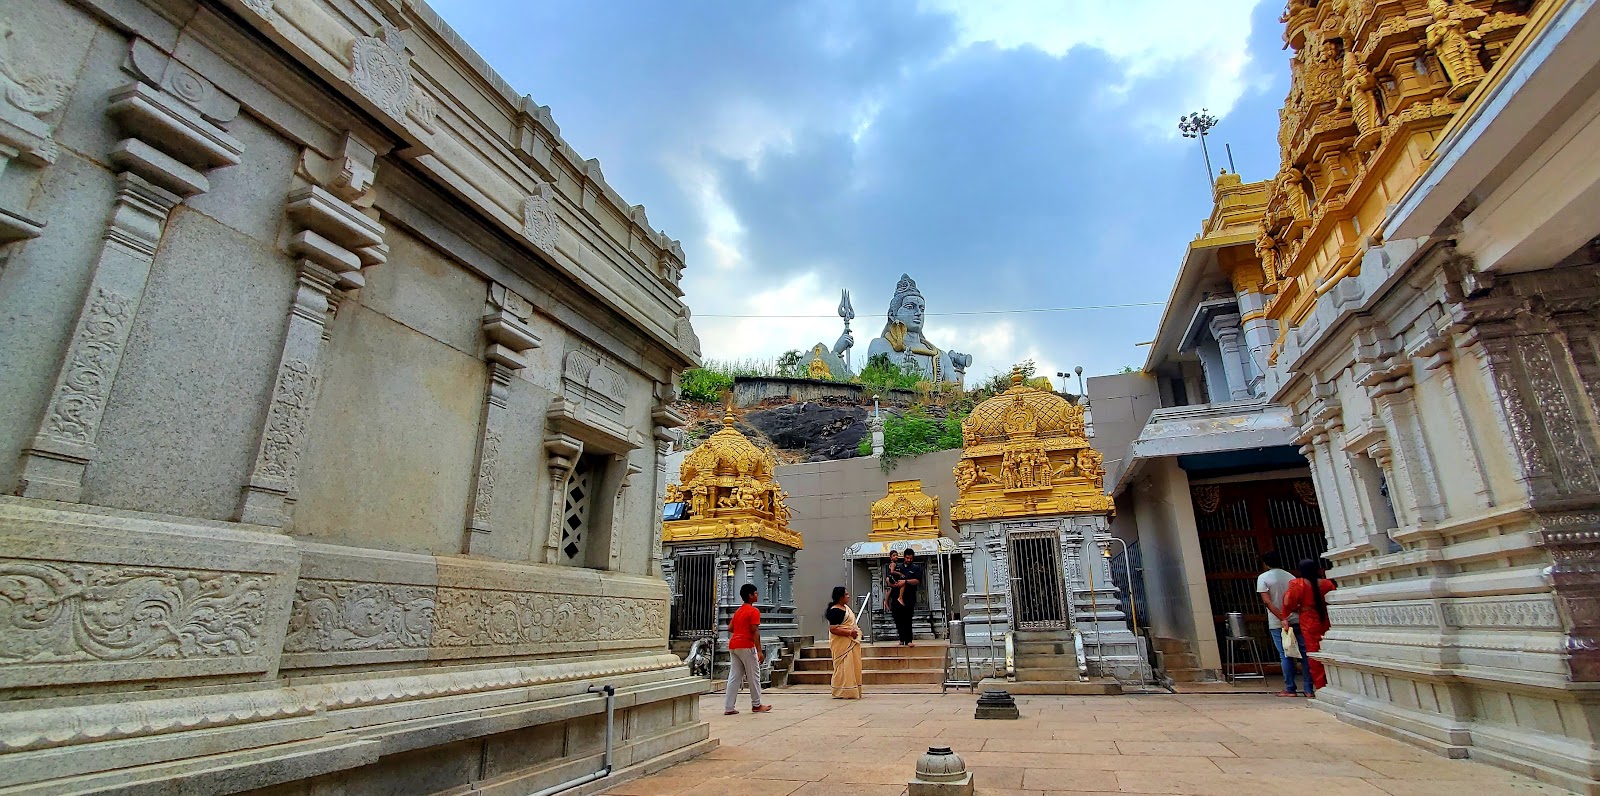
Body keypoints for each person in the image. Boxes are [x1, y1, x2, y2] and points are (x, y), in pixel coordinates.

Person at [1257, 551, 1310, 697]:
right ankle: (1308, 688)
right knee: (1304, 654)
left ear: (1266, 563)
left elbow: (1267, 601)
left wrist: (1282, 617)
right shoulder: (1290, 577)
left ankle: (1290, 688)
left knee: (1285, 655)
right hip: (1296, 618)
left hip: (1277, 622)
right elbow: (1298, 599)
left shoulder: (1263, 578)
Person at [1282, 558, 1336, 695]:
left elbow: (1289, 603)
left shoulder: (1297, 584)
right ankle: (1332, 682)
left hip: (1309, 620)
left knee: (1313, 654)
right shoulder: (1327, 584)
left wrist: (1286, 615)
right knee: (1330, 650)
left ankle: (1320, 685)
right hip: (1327, 618)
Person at [724, 583, 772, 715]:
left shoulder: (739, 611)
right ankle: (756, 704)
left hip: (734, 644)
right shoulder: (753, 611)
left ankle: (729, 707)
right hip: (746, 645)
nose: (757, 595)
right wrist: (759, 651)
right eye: (755, 593)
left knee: (734, 677)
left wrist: (740, 629)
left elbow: (730, 628)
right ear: (750, 596)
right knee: (754, 676)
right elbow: (754, 630)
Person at [826, 586, 863, 699]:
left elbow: (851, 624)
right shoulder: (835, 611)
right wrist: (849, 633)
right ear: (840, 597)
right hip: (842, 644)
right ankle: (841, 690)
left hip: (851, 643)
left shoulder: (846, 609)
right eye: (846, 594)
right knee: (843, 666)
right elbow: (833, 629)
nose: (848, 596)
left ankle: (852, 689)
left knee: (852, 666)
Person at [891, 549, 924, 647]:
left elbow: (917, 581)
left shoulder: (915, 568)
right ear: (904, 557)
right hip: (897, 595)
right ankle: (901, 638)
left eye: (911, 558)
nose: (909, 560)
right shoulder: (899, 567)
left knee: (907, 618)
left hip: (909, 595)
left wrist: (905, 582)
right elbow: (891, 577)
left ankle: (908, 639)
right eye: (907, 558)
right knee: (897, 617)